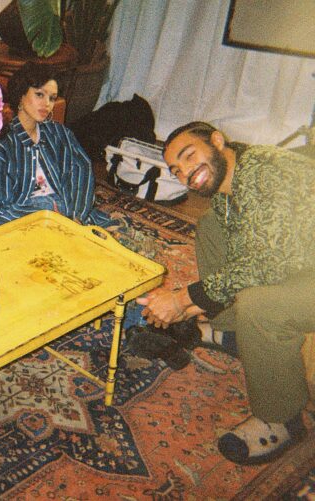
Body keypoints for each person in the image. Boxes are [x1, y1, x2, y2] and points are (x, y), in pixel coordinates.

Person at [135, 121, 315, 465]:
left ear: (217, 141)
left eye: (189, 156)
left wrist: (183, 300)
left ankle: (281, 418)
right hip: (301, 256)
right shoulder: (231, 185)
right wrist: (190, 305)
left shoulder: (267, 170)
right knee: (212, 226)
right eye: (177, 170)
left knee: (260, 306)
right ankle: (232, 331)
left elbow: (264, 264)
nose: (186, 173)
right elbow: (250, 254)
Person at [0, 62, 112, 228]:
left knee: (112, 234)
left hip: (66, 211)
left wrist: (75, 216)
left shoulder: (60, 133)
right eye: (39, 95)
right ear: (21, 95)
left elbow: (81, 172)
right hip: (27, 222)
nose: (47, 104)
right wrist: (46, 213)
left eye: (52, 98)